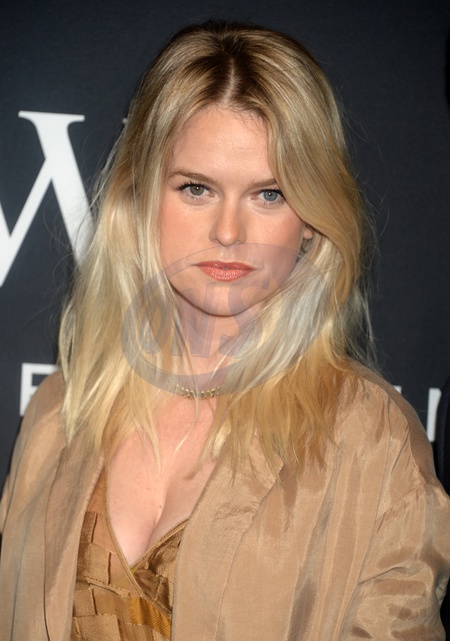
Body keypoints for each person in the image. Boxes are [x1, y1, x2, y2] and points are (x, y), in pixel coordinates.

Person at [1, 20, 449, 641]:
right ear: (140, 198)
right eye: (196, 188)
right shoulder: (62, 410)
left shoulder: (372, 441)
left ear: (312, 220)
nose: (229, 232)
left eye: (269, 194)